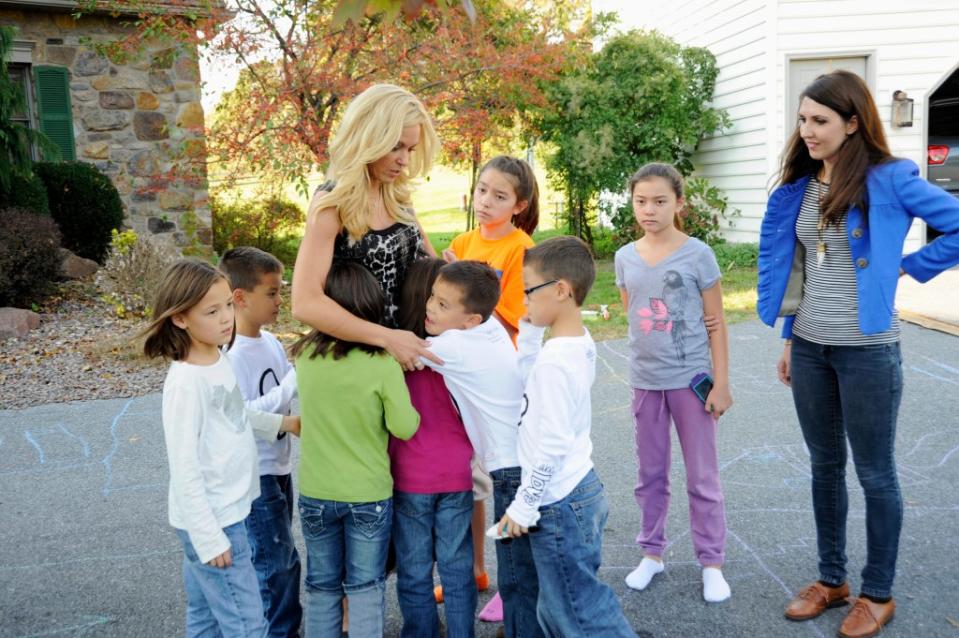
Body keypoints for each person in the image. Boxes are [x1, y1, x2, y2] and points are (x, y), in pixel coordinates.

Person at [757, 70, 959, 638]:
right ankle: (832, 580)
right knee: (824, 468)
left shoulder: (890, 180)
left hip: (868, 350)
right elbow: (799, 271)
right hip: (813, 347)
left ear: (852, 123)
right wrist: (790, 339)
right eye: (802, 119)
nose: (808, 130)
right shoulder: (798, 188)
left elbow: (956, 225)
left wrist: (909, 267)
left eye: (820, 121)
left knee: (875, 473)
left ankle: (877, 592)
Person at [142, 259, 300, 637]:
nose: (226, 317)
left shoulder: (217, 358)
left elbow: (236, 415)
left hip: (228, 512)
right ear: (180, 318)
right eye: (212, 311)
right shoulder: (186, 384)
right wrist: (209, 536)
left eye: (228, 304)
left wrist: (284, 423)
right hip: (215, 522)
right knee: (248, 624)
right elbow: (184, 468)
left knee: (207, 618)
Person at [497, 236, 637, 637]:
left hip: (558, 501)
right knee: (559, 608)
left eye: (528, 291)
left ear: (561, 290)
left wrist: (524, 505)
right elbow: (531, 383)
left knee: (578, 611)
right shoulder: (574, 343)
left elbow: (553, 443)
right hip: (577, 491)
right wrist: (527, 337)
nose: (523, 300)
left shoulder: (556, 363)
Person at [614, 163, 733, 603]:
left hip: (691, 382)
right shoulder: (625, 257)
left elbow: (716, 323)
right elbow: (633, 311)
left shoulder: (698, 254)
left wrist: (721, 383)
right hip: (645, 382)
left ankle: (712, 562)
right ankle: (652, 553)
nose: (650, 209)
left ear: (678, 204)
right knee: (650, 474)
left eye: (660, 201)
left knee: (702, 476)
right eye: (641, 201)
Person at [293, 259, 420, 638]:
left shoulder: (304, 358)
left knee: (321, 585)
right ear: (371, 308)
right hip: (367, 494)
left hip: (316, 492)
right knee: (365, 586)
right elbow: (404, 426)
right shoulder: (382, 364)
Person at [438, 155, 540, 620]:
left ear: (519, 205)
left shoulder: (521, 248)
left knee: (504, 479)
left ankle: (509, 583)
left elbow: (516, 315)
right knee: (471, 478)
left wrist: (467, 293)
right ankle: (477, 569)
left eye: (499, 196)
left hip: (500, 379)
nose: (486, 201)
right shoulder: (462, 241)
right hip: (461, 378)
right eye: (482, 191)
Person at [416, 260, 540, 638]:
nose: (430, 308)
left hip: (509, 469)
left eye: (442, 305)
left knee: (515, 566)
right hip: (524, 455)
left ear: (470, 319)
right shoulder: (492, 329)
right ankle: (526, 625)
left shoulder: (453, 346)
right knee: (526, 561)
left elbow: (397, 353)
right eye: (432, 298)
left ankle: (523, 631)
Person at [291, 83, 443, 373]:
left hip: (413, 355)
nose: (404, 160)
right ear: (367, 138)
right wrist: (387, 338)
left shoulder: (398, 194)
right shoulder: (333, 204)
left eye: (410, 149)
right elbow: (304, 302)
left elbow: (428, 260)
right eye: (395, 146)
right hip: (361, 363)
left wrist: (453, 276)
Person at [390, 258, 477, 638]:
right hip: (457, 473)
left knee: (413, 569)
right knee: (458, 568)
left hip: (409, 475)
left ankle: (420, 632)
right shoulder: (460, 352)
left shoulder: (394, 354)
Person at [220, 247, 302, 638]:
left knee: (279, 558)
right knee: (277, 565)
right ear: (240, 297)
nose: (279, 300)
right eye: (271, 292)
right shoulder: (230, 354)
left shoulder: (269, 341)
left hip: (280, 466)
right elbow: (240, 415)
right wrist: (288, 409)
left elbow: (290, 390)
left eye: (280, 290)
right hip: (257, 475)